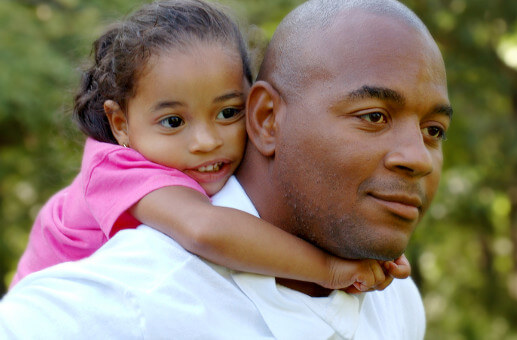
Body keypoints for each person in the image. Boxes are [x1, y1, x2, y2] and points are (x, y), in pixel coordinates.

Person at [0, 0, 452, 338]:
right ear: (267, 118)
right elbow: (204, 228)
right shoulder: (114, 302)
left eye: (434, 130)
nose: (417, 156)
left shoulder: (394, 301)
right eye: (373, 116)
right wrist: (329, 268)